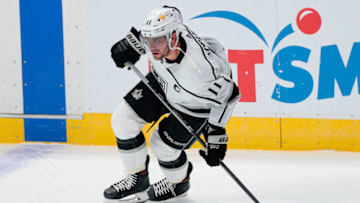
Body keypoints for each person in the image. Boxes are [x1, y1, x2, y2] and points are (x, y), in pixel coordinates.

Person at [103, 5, 240, 202]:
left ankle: (179, 182)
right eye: (149, 40)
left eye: (157, 40)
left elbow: (230, 95)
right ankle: (137, 178)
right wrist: (128, 45)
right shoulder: (164, 34)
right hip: (162, 81)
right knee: (122, 120)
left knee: (161, 146)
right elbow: (164, 17)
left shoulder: (202, 73)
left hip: (194, 107)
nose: (151, 46)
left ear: (174, 37)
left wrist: (216, 133)